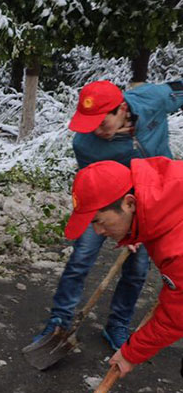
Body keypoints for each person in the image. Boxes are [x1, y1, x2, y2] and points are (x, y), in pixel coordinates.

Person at [33, 79, 183, 350]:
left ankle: (117, 324)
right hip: (107, 204)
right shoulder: (85, 144)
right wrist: (126, 223)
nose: (96, 131)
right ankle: (59, 322)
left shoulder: (153, 99)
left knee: (137, 269)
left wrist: (138, 226)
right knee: (81, 258)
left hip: (153, 199)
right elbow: (90, 184)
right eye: (91, 125)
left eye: (102, 123)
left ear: (122, 108)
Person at [64, 156, 183, 393]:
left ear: (129, 203)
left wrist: (132, 352)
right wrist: (137, 232)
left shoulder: (177, 246)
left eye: (100, 221)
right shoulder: (161, 198)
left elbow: (177, 315)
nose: (98, 231)